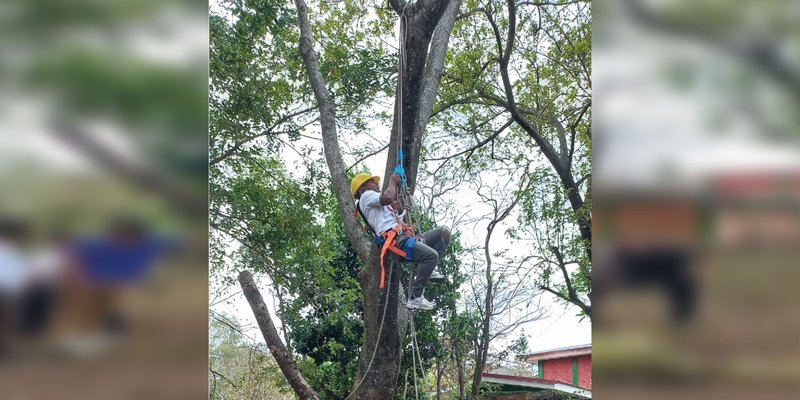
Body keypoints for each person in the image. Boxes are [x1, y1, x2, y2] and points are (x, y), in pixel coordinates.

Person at [351, 172, 450, 310]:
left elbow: (398, 205)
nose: (377, 183)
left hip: (405, 238)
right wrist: (392, 181)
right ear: (363, 186)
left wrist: (403, 192)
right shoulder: (366, 197)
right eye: (373, 182)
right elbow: (387, 197)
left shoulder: (376, 204)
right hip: (397, 242)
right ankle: (415, 297)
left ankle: (430, 270)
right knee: (431, 256)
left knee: (444, 232)